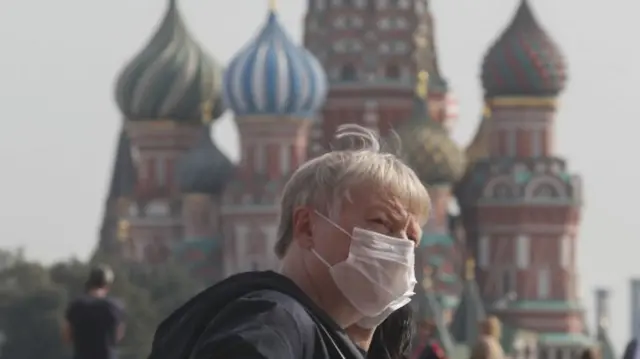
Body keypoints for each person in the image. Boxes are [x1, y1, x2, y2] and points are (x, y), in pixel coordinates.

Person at [148, 124, 431, 359]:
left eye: (411, 239)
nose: (400, 248)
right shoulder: (273, 325)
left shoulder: (315, 333)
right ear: (307, 227)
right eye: (381, 223)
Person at [63, 264, 125, 359]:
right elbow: (118, 336)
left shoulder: (76, 306)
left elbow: (67, 336)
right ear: (107, 285)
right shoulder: (115, 307)